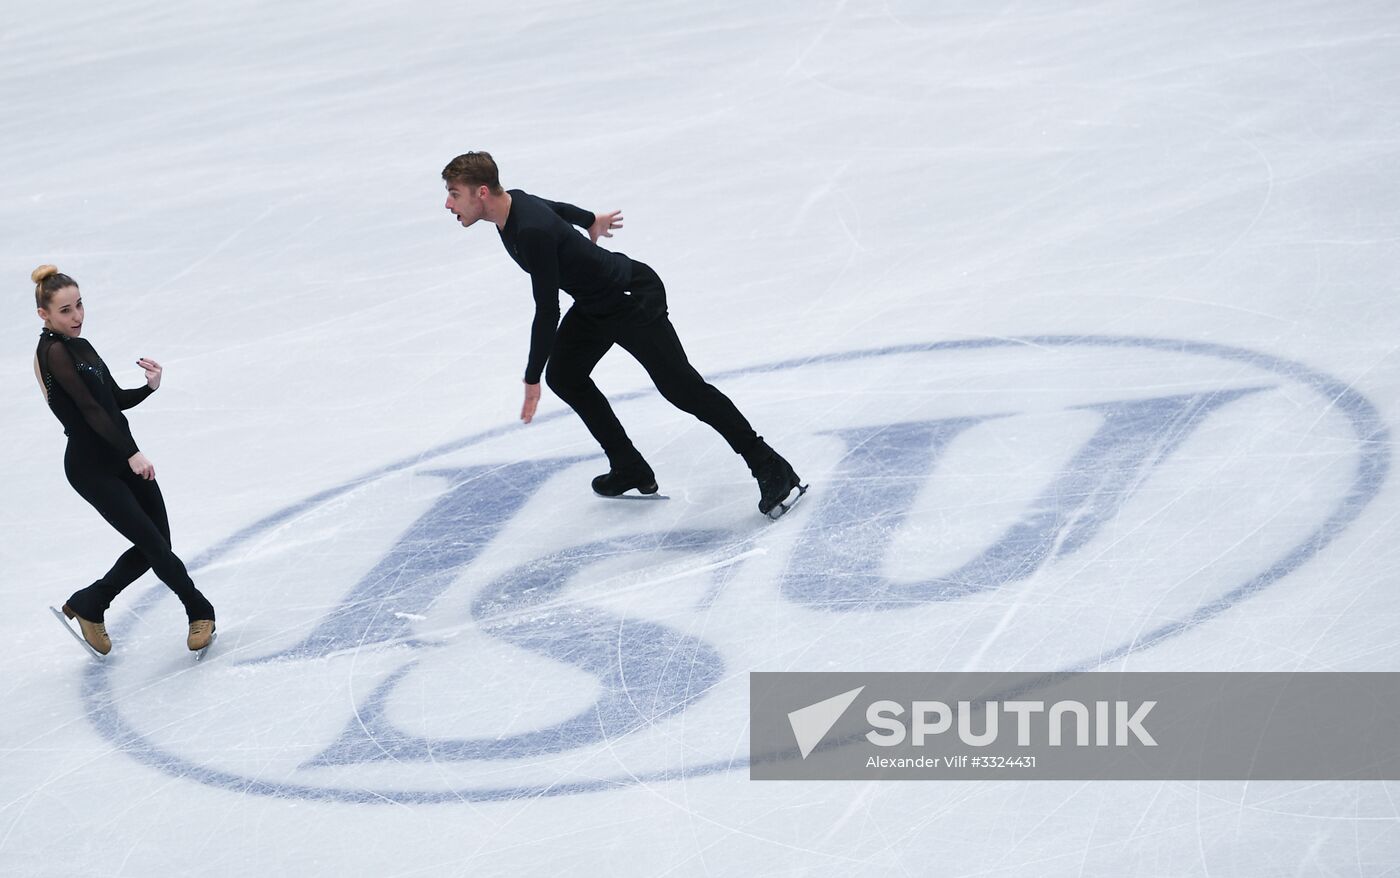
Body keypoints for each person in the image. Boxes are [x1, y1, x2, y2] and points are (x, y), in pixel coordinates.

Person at [441, 151, 806, 518]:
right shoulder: (514, 205)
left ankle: (770, 466)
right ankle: (629, 466)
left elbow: (547, 309)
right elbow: (558, 209)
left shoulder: (530, 230)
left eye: (455, 193)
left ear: (482, 192)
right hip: (594, 304)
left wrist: (532, 377)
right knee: (566, 376)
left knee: (684, 390)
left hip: (630, 298)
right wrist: (590, 220)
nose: (448, 203)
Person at [31, 265, 215, 655]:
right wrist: (131, 453)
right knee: (152, 543)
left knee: (158, 543)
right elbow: (89, 411)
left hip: (119, 454)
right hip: (92, 467)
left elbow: (111, 400)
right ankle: (200, 610)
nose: (77, 316)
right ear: (44, 314)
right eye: (65, 310)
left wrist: (149, 388)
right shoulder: (54, 352)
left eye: (79, 305)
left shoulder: (81, 344)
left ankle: (90, 603)